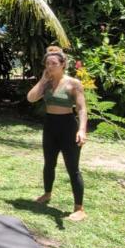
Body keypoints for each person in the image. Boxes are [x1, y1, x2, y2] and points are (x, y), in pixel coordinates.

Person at [26, 45, 88, 221]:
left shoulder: (73, 84)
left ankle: (79, 208)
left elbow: (82, 109)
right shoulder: (46, 83)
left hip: (68, 127)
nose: (50, 66)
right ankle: (47, 194)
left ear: (63, 64)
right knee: (49, 163)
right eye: (47, 63)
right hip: (50, 125)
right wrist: (42, 80)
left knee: (72, 168)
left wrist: (82, 129)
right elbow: (31, 98)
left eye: (53, 63)